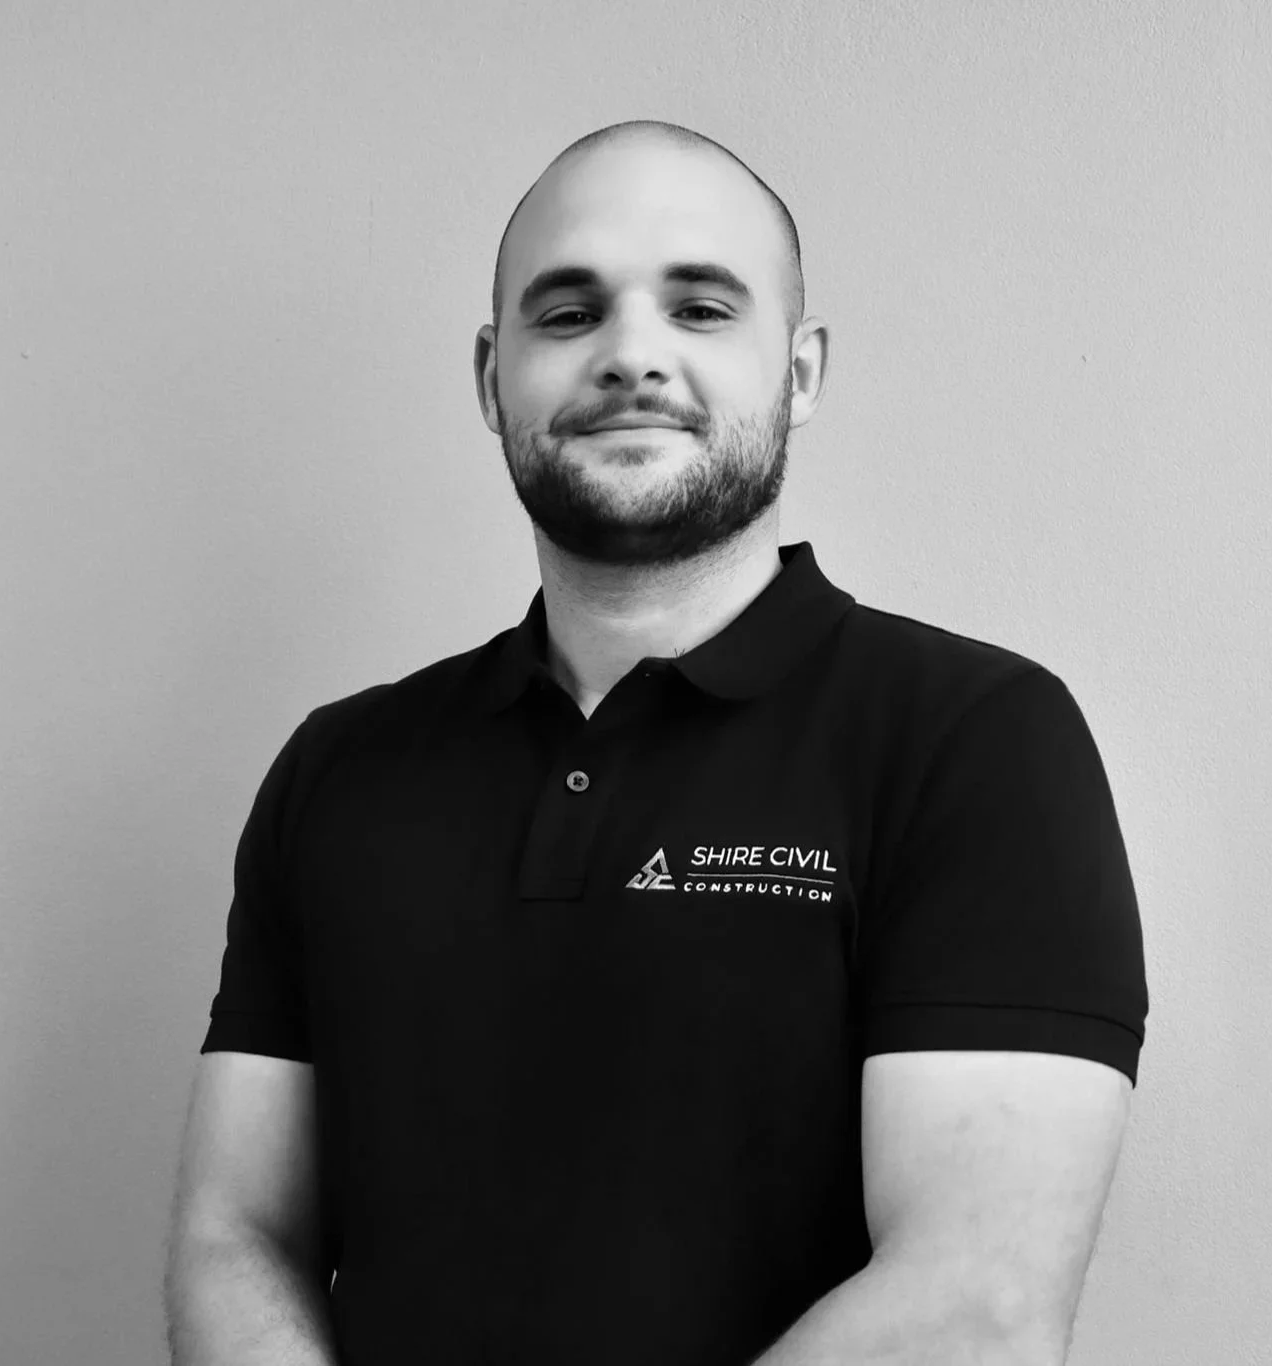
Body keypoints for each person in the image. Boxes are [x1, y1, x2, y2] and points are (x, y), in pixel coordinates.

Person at [164, 119, 1148, 1366]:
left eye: (699, 308)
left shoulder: (973, 736)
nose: (633, 356)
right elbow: (236, 1234)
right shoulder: (340, 768)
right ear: (490, 377)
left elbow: (974, 1302)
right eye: (568, 314)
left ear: (798, 374)